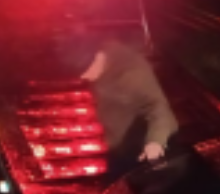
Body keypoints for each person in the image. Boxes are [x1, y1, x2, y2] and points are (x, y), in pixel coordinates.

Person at [76, 32, 179, 174]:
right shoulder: (99, 56)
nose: (84, 77)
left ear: (98, 57)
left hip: (136, 143)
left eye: (87, 71)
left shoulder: (132, 73)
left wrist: (155, 142)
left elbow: (158, 108)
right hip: (115, 142)